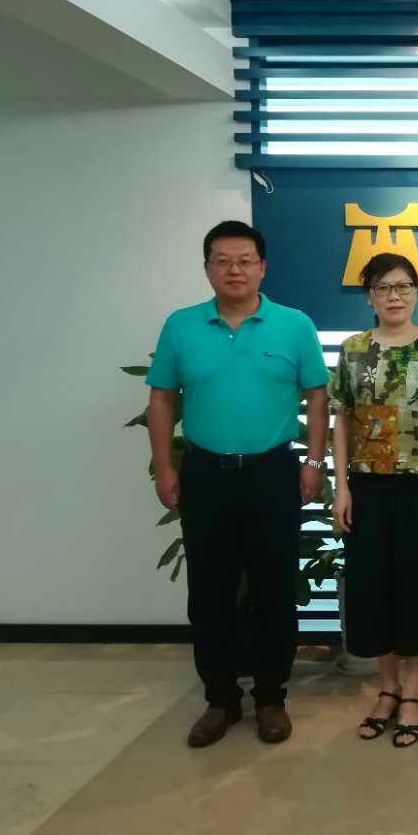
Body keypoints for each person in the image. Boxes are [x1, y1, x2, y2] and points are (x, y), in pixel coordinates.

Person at [146, 220, 329, 748]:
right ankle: (220, 699)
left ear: (262, 268)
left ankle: (271, 697)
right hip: (206, 473)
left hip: (273, 472)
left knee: (274, 589)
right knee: (210, 591)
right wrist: (165, 466)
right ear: (207, 268)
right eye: (223, 261)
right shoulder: (181, 326)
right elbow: (161, 397)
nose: (234, 270)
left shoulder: (294, 325)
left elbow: (317, 396)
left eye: (245, 260)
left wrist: (314, 462)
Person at [330, 253, 418, 748]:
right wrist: (341, 487)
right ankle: (386, 689)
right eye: (383, 288)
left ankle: (413, 694)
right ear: (369, 296)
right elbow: (342, 419)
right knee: (372, 588)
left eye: (403, 286)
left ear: (415, 292)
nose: (394, 296)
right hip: (366, 486)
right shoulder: (353, 350)